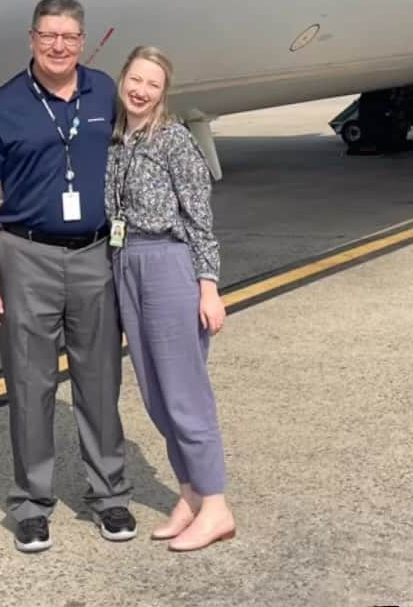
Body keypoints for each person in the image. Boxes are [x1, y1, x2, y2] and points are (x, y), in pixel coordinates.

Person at [0, 0, 136, 554]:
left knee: (100, 379)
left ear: (83, 41)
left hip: (94, 255)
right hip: (25, 256)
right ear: (32, 38)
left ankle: (110, 495)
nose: (59, 46)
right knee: (30, 384)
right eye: (48, 36)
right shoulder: (4, 106)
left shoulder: (105, 92)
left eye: (69, 36)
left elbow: (142, 149)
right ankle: (32, 504)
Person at [106, 45, 235, 552]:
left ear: (163, 93)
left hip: (168, 263)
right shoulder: (118, 142)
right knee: (156, 396)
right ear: (123, 80)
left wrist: (208, 285)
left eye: (152, 84)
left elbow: (200, 216)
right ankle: (189, 494)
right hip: (126, 263)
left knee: (184, 394)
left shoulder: (174, 140)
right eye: (135, 79)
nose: (140, 90)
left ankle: (217, 506)